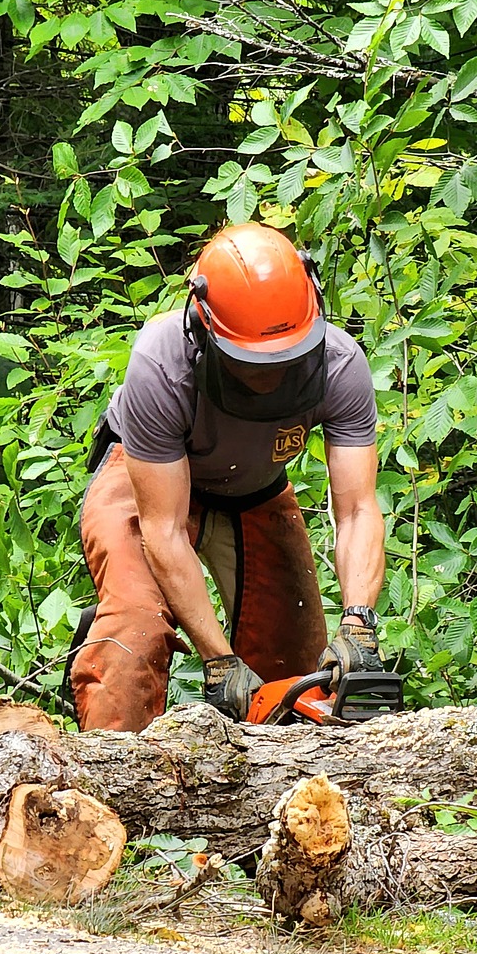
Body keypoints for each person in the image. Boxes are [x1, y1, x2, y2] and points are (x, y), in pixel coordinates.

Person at [68, 221, 385, 732]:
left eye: (287, 360)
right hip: (148, 483)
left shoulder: (339, 365)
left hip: (255, 489)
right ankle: (108, 778)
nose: (270, 378)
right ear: (203, 327)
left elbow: (357, 510)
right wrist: (219, 661)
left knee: (296, 658)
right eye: (251, 363)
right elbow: (164, 531)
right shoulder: (162, 363)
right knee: (136, 632)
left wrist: (359, 622)